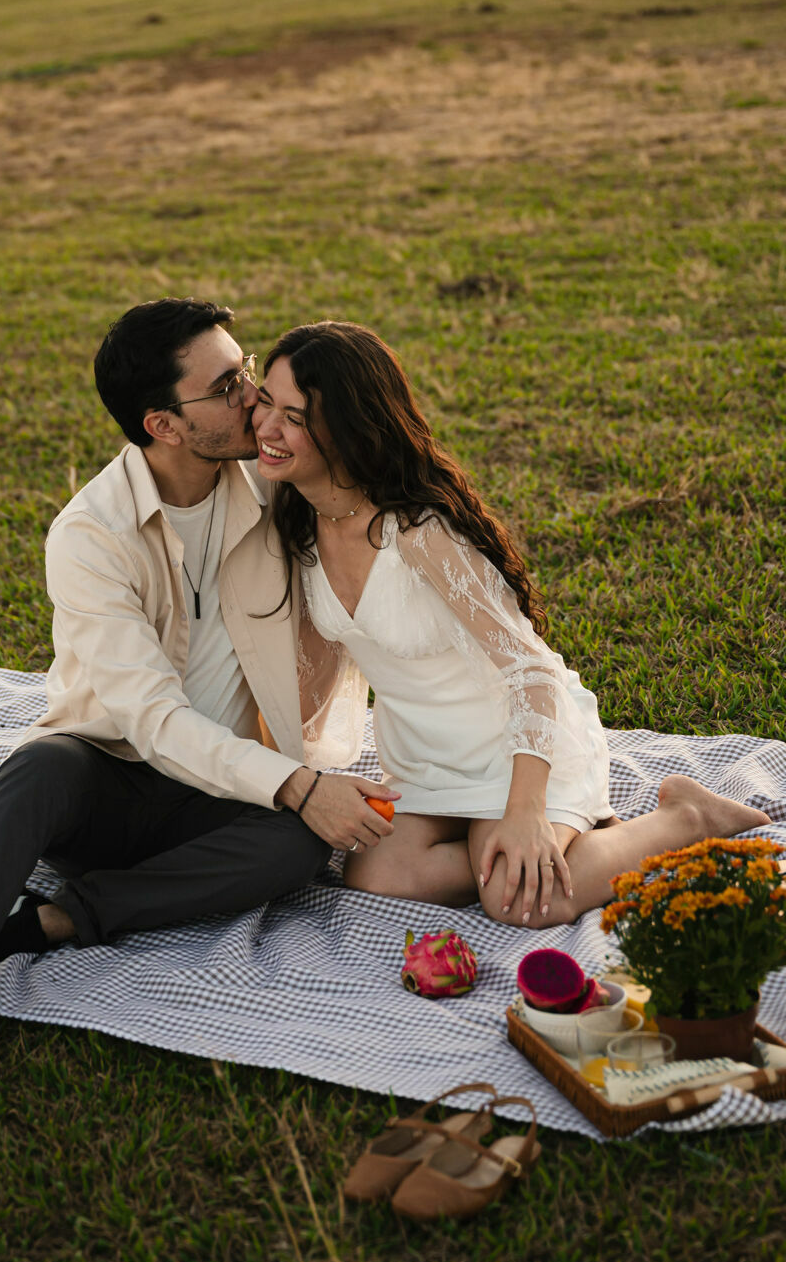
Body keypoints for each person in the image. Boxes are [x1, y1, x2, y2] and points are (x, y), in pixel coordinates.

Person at [0, 298, 394, 1075]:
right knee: (39, 766)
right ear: (163, 425)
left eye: (245, 370)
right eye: (229, 385)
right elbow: (153, 721)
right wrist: (301, 784)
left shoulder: (272, 489)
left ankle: (53, 924)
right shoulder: (90, 535)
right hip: (106, 784)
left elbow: (369, 511)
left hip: (215, 794)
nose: (252, 399)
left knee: (297, 844)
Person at [251, 320, 769, 928]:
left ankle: (684, 817)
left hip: (516, 752)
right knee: (374, 875)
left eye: (293, 415)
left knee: (520, 902)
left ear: (348, 426)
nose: (266, 428)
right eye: (265, 403)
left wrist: (524, 811)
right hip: (425, 767)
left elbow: (532, 672)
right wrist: (264, 775)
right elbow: (309, 689)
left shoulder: (421, 535)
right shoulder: (299, 532)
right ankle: (530, 843)